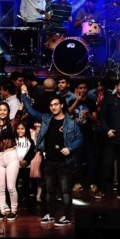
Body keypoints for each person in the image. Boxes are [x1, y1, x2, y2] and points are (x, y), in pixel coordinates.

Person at [21, 90, 83, 226]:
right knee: (49, 190)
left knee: (65, 190)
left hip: (64, 162)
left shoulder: (70, 123)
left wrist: (70, 148)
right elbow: (31, 111)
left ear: (61, 105)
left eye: (56, 104)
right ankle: (50, 214)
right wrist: (24, 95)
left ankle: (66, 217)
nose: (53, 107)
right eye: (51, 105)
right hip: (49, 160)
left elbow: (80, 139)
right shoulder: (46, 119)